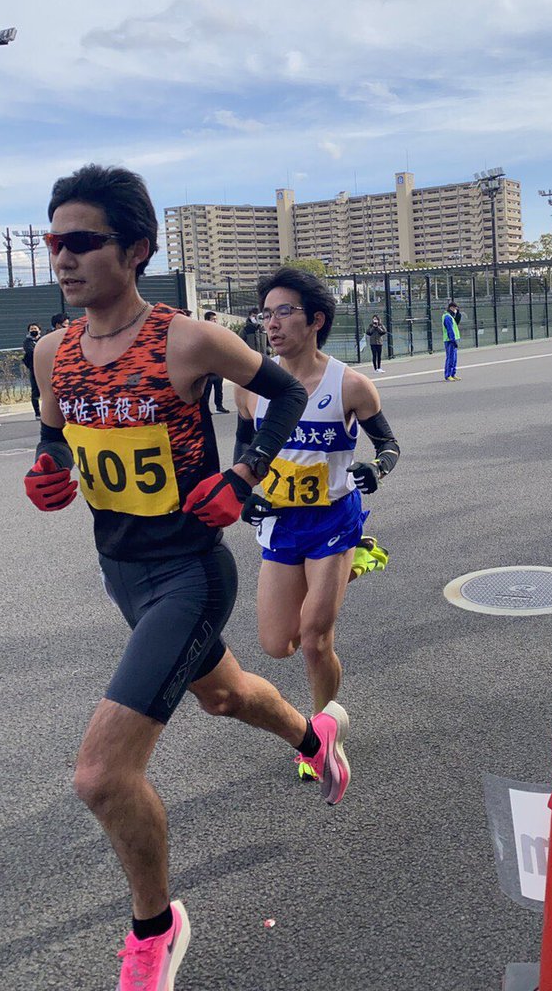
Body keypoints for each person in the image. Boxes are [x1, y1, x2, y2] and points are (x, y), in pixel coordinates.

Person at [24, 164, 351, 991]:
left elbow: (281, 401)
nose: (62, 258)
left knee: (102, 774)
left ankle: (155, 927)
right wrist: (49, 464)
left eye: (83, 242)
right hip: (120, 572)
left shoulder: (187, 339)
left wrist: (242, 479)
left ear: (136, 250)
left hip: (189, 574)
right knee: (226, 693)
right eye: (54, 241)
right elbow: (57, 434)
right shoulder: (50, 352)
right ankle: (315, 736)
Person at [233, 267, 398, 780]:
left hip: (332, 518)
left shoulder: (350, 384)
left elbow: (389, 444)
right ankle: (349, 567)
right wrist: (245, 498)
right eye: (267, 314)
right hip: (282, 525)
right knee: (275, 644)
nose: (272, 324)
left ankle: (325, 736)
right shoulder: (251, 387)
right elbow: (243, 454)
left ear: (316, 320)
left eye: (284, 312)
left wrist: (377, 467)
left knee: (313, 638)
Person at [201, 311, 230, 413]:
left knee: (219, 388)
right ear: (207, 320)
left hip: (218, 367)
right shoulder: (202, 333)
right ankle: (206, 409)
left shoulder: (218, 332)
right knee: (206, 390)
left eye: (215, 319)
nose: (215, 321)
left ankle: (219, 406)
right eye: (213, 319)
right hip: (208, 367)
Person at [23, 322, 43, 418]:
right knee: (35, 391)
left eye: (35, 328)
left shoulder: (44, 340)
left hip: (45, 368)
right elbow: (30, 352)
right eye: (31, 329)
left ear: (39, 330)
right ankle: (37, 413)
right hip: (34, 369)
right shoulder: (27, 342)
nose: (33, 330)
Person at [442, 301, 460, 381]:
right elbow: (450, 330)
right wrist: (453, 340)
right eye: (455, 308)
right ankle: (448, 375)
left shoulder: (450, 316)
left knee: (454, 358)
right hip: (449, 340)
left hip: (453, 339)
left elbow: (456, 323)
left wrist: (458, 314)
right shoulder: (447, 317)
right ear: (451, 308)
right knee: (450, 358)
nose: (455, 310)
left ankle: (453, 374)